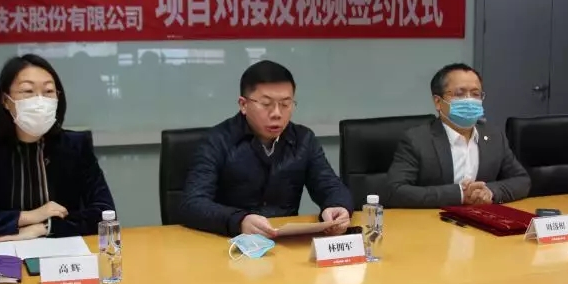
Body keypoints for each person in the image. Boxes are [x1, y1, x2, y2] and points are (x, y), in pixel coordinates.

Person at [0, 54, 115, 242]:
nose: (40, 101)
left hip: (62, 252)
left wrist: (43, 228)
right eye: (28, 91)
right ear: (5, 100)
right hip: (1, 253)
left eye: (48, 91)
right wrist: (28, 217)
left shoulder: (76, 146)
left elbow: (105, 214)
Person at [180, 60, 354, 237]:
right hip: (229, 242)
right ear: (243, 105)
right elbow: (192, 203)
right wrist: (239, 221)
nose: (277, 113)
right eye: (266, 104)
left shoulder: (303, 139)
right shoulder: (217, 140)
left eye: (285, 104)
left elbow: (330, 185)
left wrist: (338, 207)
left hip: (285, 241)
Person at [385, 63, 530, 208]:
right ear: (438, 102)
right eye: (460, 94)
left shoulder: (494, 136)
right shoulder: (417, 139)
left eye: (475, 94)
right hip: (433, 219)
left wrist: (490, 192)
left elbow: (522, 180)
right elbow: (395, 191)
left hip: (481, 217)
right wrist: (460, 195)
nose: (469, 101)